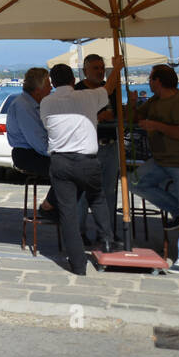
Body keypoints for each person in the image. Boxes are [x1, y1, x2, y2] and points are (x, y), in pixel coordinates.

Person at [39, 57, 122, 275]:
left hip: (60, 162)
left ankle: (77, 264)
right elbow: (110, 86)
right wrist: (118, 66)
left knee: (68, 212)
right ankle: (106, 242)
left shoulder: (46, 103)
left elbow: (47, 126)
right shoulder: (88, 96)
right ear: (74, 79)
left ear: (52, 82)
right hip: (87, 160)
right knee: (98, 198)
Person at [130, 65, 179, 273]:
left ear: (158, 81)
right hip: (163, 161)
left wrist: (156, 126)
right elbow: (135, 117)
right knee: (134, 182)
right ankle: (176, 211)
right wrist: (131, 104)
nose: (148, 82)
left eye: (150, 78)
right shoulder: (155, 101)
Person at [75, 53, 120, 242]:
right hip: (88, 149)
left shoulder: (109, 89)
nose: (100, 72)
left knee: (109, 192)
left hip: (110, 146)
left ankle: (106, 233)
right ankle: (79, 232)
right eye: (96, 68)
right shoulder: (77, 91)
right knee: (84, 193)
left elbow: (118, 113)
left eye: (102, 68)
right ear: (85, 70)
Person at [5, 67, 58, 219]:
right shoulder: (24, 106)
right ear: (38, 89)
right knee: (66, 169)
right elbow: (39, 143)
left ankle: (56, 206)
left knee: (71, 167)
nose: (51, 88)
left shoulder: (33, 104)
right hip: (26, 155)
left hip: (33, 151)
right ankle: (49, 206)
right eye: (48, 84)